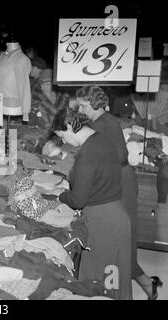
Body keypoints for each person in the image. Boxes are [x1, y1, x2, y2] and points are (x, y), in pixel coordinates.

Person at [76, 85, 163, 300]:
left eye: (84, 105)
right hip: (121, 178)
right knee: (123, 245)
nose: (80, 109)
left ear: (95, 104)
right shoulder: (105, 120)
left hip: (119, 183)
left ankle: (128, 289)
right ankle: (148, 285)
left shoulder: (101, 125)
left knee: (120, 244)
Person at [52, 107, 132, 300]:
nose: (63, 141)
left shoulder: (87, 154)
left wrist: (60, 196)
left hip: (102, 223)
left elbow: (78, 200)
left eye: (62, 136)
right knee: (114, 278)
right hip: (117, 216)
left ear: (70, 126)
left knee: (101, 283)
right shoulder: (102, 139)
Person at [30, 69, 68, 133]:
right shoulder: (36, 100)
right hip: (42, 133)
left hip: (62, 133)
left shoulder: (63, 97)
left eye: (49, 84)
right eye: (42, 84)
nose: (44, 87)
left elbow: (67, 116)